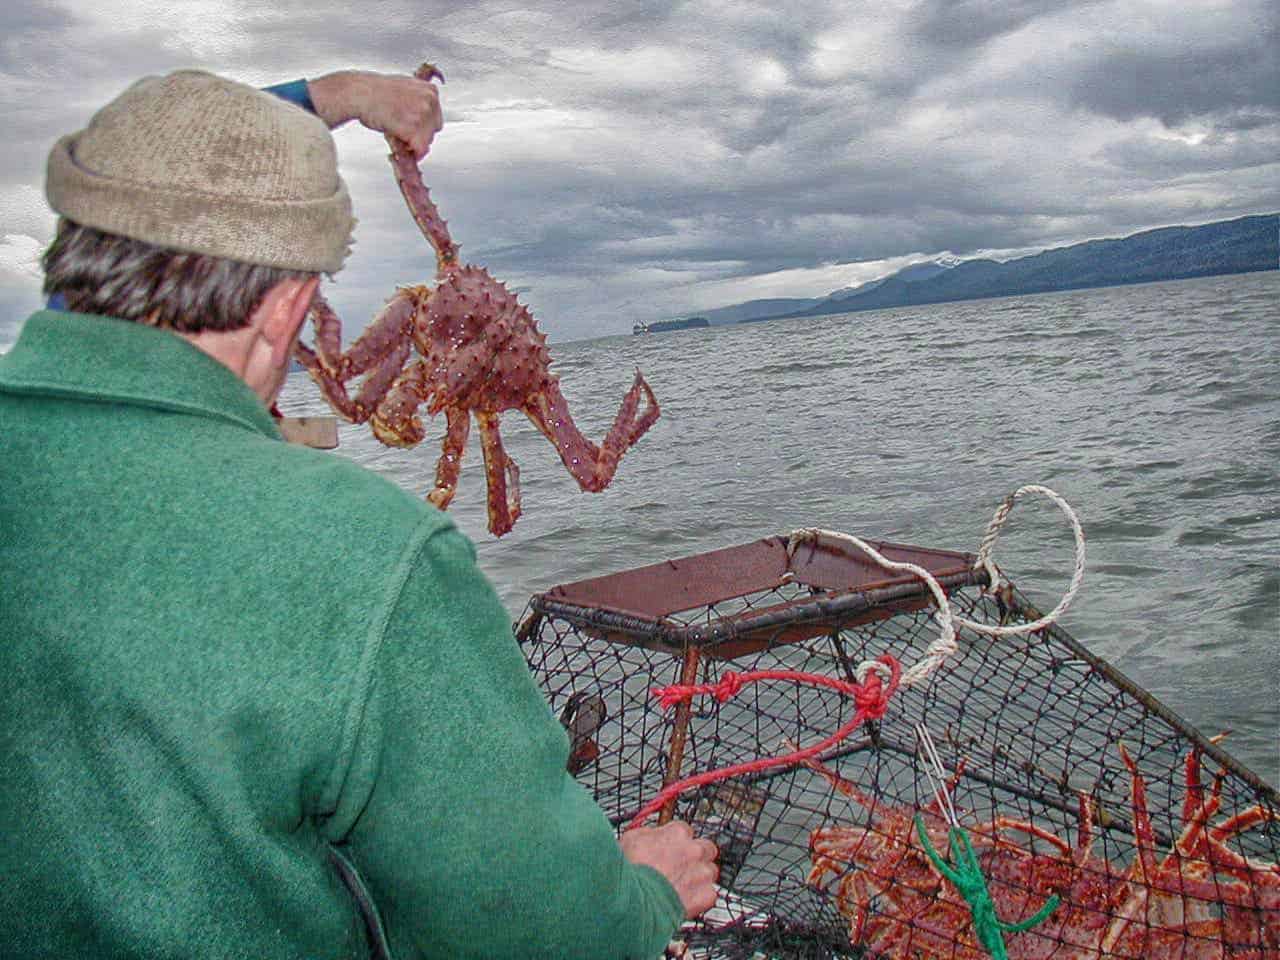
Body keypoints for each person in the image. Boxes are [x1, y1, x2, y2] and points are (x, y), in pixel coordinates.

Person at [0, 68, 717, 958]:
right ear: (292, 308)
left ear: (75, 249)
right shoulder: (369, 558)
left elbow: (172, 178)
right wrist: (647, 892)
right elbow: (543, 930)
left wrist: (329, 97)